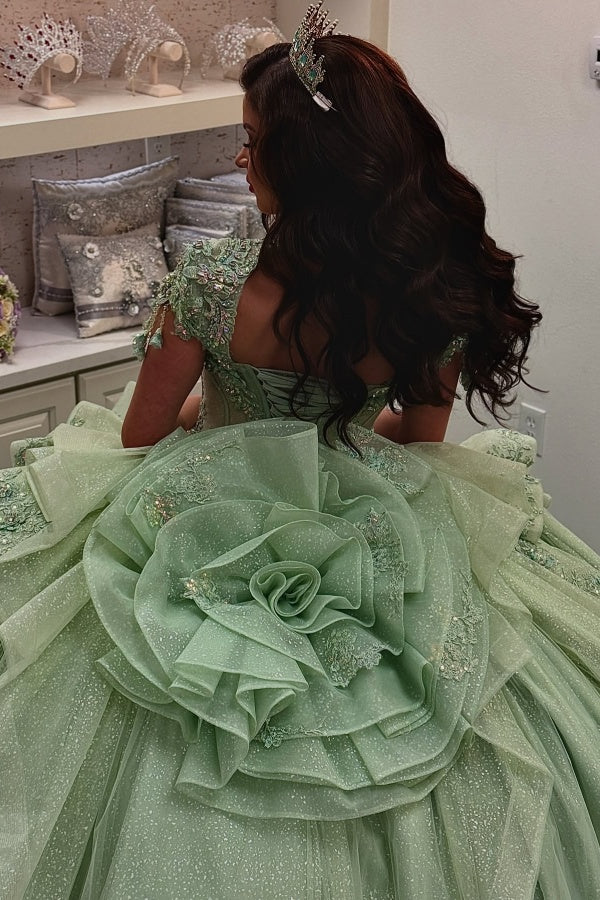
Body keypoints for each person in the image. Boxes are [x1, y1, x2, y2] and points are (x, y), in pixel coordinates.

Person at [1, 4, 600, 898]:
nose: (241, 161)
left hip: (196, 523)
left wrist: (217, 414)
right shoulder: (432, 293)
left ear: (310, 166)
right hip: (370, 521)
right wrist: (334, 434)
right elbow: (420, 438)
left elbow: (140, 434)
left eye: (253, 143)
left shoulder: (211, 284)